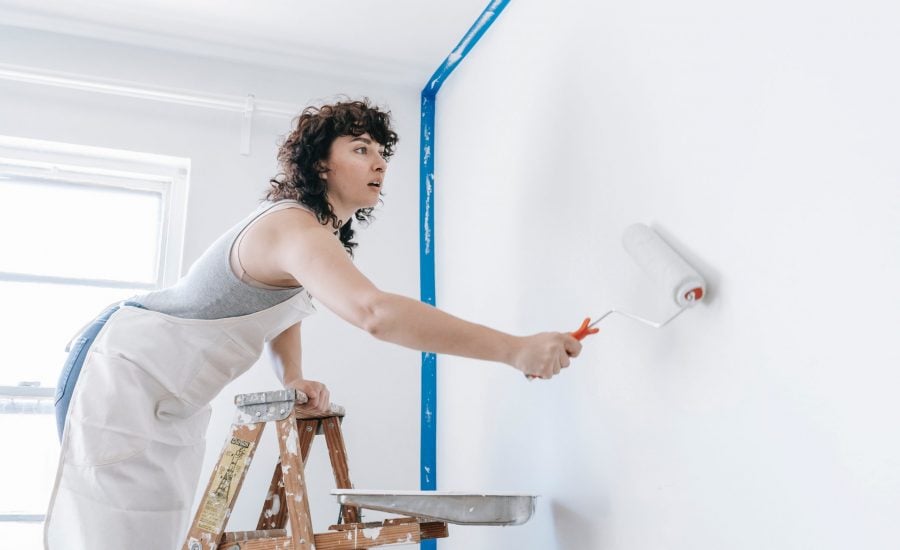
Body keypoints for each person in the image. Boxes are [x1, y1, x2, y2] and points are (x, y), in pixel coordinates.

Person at [44, 98, 582, 549]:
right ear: (321, 165)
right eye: (360, 148)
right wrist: (515, 349)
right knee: (108, 536)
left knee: (154, 533)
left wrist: (291, 377)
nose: (379, 163)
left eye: (381, 152)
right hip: (123, 374)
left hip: (169, 397)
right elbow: (375, 314)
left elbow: (280, 311)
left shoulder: (311, 239)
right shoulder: (293, 227)